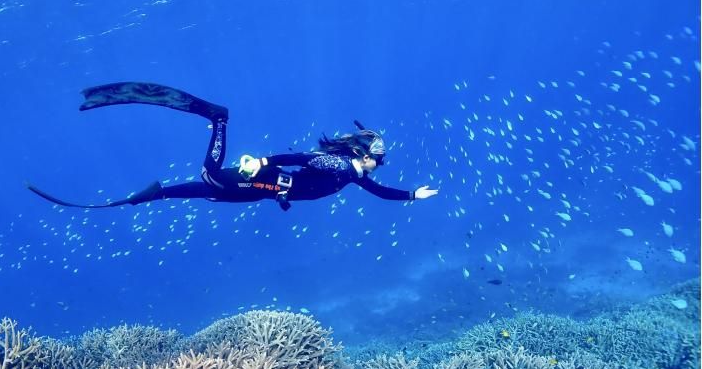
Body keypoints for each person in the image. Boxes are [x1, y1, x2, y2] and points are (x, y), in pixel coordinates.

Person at [28, 82, 439, 211]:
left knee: (207, 191)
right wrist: (262, 160)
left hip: (265, 190)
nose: (379, 165)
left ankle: (152, 195)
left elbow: (379, 192)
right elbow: (299, 158)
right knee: (210, 177)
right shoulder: (339, 166)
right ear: (364, 155)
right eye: (379, 159)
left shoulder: (352, 175)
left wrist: (411, 195)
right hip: (264, 180)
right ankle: (219, 118)